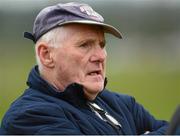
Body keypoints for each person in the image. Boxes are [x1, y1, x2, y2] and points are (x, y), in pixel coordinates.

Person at [0, 2, 168, 135]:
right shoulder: (28, 117)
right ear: (46, 55)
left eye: (102, 45)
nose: (101, 56)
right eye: (85, 45)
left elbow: (173, 129)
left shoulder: (122, 104)